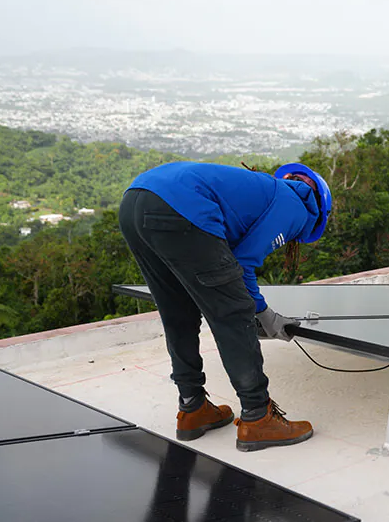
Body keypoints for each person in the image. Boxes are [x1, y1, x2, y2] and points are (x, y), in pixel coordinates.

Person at [118, 160, 331, 452]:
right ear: (318, 210)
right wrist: (264, 314)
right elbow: (244, 263)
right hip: (181, 206)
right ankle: (258, 418)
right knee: (234, 313)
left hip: (135, 200)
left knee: (178, 310)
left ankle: (192, 408)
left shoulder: (263, 189)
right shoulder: (296, 205)